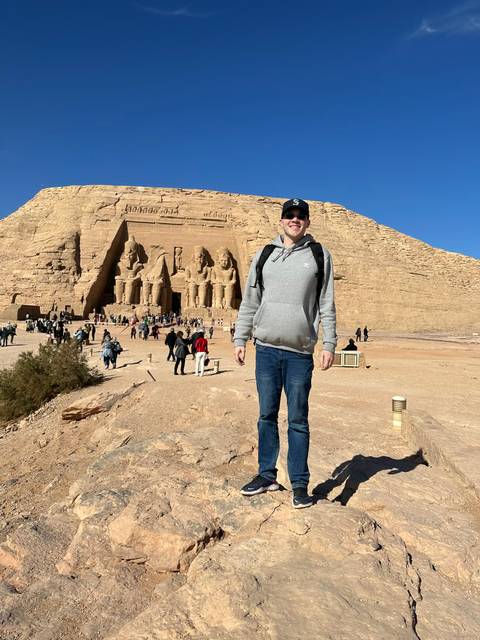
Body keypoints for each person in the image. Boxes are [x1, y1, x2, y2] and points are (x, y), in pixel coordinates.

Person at [233, 198, 337, 509]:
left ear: (307, 221)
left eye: (300, 216)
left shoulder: (318, 255)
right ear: (281, 220)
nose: (295, 220)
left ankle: (300, 485)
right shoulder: (265, 254)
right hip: (265, 348)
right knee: (266, 415)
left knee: (297, 420)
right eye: (289, 215)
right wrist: (241, 337)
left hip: (299, 352)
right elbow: (250, 300)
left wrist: (328, 343)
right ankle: (266, 474)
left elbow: (326, 303)